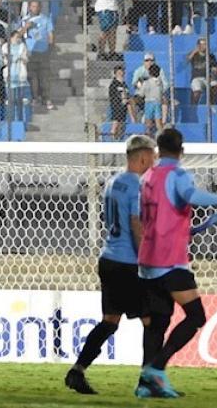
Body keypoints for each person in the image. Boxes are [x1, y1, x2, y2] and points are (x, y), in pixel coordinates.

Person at [135, 128, 217, 398]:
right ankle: (156, 368)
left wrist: (208, 223)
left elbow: (164, 220)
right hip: (170, 262)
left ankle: (145, 385)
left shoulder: (147, 177)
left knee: (158, 324)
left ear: (157, 151)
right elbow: (192, 196)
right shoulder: (177, 174)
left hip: (147, 261)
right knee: (196, 316)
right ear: (182, 150)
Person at [65, 135, 156, 395]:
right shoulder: (139, 186)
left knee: (110, 321)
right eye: (153, 155)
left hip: (108, 259)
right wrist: (146, 260)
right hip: (129, 262)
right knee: (152, 321)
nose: (155, 160)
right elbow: (136, 224)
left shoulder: (112, 183)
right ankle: (148, 381)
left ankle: (77, 371)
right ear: (142, 157)